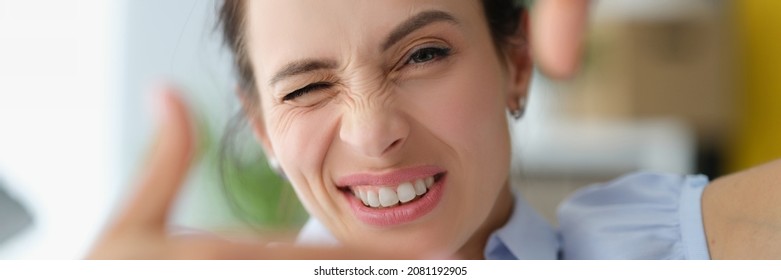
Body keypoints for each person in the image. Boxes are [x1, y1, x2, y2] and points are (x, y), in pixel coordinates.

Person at [88, 0, 781, 259]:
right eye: (305, 87)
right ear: (265, 132)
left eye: (422, 54)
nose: (373, 132)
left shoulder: (673, 247)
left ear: (514, 64)